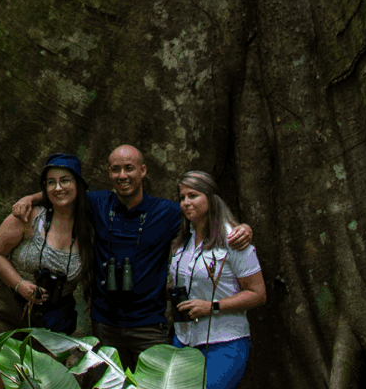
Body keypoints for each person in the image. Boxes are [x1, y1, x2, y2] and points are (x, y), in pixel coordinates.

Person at [13, 144, 252, 371]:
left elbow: (203, 216)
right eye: (116, 169)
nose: (122, 175)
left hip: (149, 325)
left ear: (143, 170)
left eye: (129, 168)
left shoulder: (166, 212)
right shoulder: (98, 203)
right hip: (105, 323)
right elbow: (64, 193)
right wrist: (30, 199)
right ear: (109, 172)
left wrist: (240, 228)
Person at [0, 153, 94, 389]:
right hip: (4, 307)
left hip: (49, 317)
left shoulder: (90, 226)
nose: (58, 187)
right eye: (51, 182)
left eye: (65, 180)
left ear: (78, 184)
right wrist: (19, 284)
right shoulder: (29, 216)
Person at [167, 169, 265, 389]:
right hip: (184, 339)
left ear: (210, 198)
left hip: (224, 342)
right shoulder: (183, 240)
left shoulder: (234, 239)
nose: (186, 203)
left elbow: (258, 293)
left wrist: (212, 306)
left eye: (193, 195)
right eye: (182, 197)